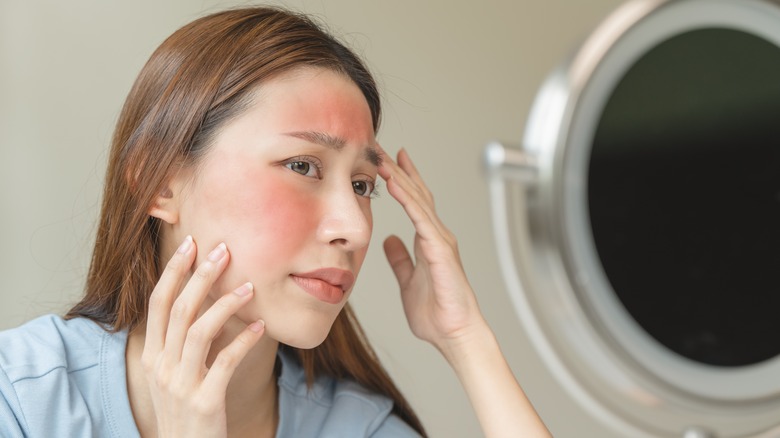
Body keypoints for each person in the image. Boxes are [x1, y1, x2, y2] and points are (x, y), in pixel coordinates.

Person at [0, 6, 550, 437]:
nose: (356, 229)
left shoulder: (358, 430)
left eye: (362, 186)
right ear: (158, 182)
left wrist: (466, 340)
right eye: (303, 166)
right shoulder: (21, 400)